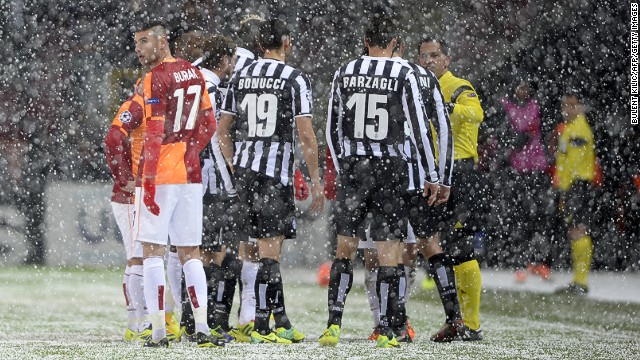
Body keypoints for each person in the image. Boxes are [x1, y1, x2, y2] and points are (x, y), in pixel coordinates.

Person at [319, 14, 440, 349]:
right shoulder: (404, 72)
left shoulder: (345, 71)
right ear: (395, 43)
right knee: (389, 252)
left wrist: (346, 169)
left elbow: (331, 129)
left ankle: (333, 325)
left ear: (364, 40)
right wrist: (432, 175)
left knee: (345, 250)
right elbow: (418, 129)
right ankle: (387, 328)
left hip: (356, 168)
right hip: (390, 168)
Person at [218, 18, 323, 344]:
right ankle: (264, 326)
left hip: (246, 174)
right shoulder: (294, 78)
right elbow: (306, 135)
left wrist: (235, 163)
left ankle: (235, 319)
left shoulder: (240, 75)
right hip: (274, 176)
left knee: (242, 249)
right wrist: (315, 178)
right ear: (287, 43)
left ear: (260, 45)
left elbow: (222, 131)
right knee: (269, 254)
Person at [133, 21, 219, 348]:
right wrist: (191, 150)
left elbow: (154, 134)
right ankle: (202, 328)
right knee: (190, 253)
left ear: (162, 41)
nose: (138, 49)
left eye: (143, 41)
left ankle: (158, 332)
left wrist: (150, 179)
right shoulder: (194, 73)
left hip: (162, 172)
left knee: (152, 252)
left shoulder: (154, 78)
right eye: (136, 43)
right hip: (190, 172)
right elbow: (208, 123)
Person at [419, 36, 485, 341]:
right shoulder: (421, 87)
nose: (429, 60)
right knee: (431, 244)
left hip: (460, 171)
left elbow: (477, 114)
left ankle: (470, 324)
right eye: (424, 56)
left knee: (459, 246)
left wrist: (448, 108)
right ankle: (454, 319)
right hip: (434, 173)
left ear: (447, 60)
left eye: (435, 55)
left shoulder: (459, 86)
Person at [195, 34, 239, 343]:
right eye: (231, 60)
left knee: (188, 253)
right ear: (223, 61)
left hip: (184, 177)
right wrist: (229, 180)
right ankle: (210, 321)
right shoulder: (212, 89)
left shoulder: (188, 80)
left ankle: (189, 318)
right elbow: (214, 139)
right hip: (209, 180)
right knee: (217, 253)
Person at [104, 75, 150, 342]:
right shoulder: (136, 105)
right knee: (139, 257)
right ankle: (138, 323)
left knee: (141, 257)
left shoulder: (145, 107)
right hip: (129, 196)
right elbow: (113, 140)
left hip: (138, 193)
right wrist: (124, 179)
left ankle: (139, 320)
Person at [498, 81, 551, 282]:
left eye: (527, 87)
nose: (523, 91)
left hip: (537, 168)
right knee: (517, 218)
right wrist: (513, 141)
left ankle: (540, 262)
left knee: (539, 217)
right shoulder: (506, 107)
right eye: (519, 86)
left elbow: (546, 133)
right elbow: (500, 135)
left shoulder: (537, 106)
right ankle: (519, 264)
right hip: (516, 170)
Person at [552, 91, 596, 295]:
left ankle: (581, 281)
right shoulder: (569, 128)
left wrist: (568, 189)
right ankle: (578, 280)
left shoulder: (579, 129)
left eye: (572, 105)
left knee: (578, 230)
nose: (568, 110)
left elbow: (576, 163)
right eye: (565, 106)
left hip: (578, 184)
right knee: (574, 231)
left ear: (580, 107)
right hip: (571, 186)